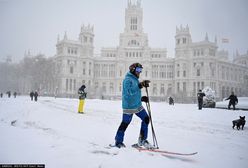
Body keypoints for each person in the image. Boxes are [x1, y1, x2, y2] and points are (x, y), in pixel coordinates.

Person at [114, 63, 151, 148]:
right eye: (138, 70)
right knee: (125, 123)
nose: (139, 72)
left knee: (146, 119)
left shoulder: (135, 79)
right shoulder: (127, 80)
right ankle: (118, 141)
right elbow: (128, 93)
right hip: (129, 106)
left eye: (140, 70)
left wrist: (142, 98)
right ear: (133, 70)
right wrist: (140, 85)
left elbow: (135, 93)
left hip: (137, 105)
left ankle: (142, 140)